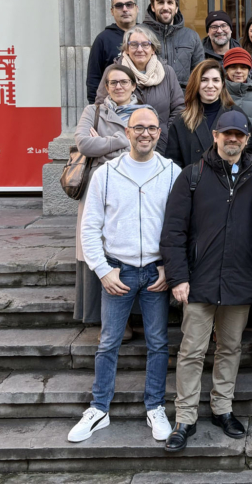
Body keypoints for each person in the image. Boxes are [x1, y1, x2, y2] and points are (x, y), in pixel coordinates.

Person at [68, 106, 180, 444]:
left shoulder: (171, 171)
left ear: (159, 133)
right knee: (108, 342)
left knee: (159, 343)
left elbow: (180, 228)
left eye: (151, 128)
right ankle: (99, 408)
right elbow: (90, 228)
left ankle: (155, 406)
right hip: (119, 272)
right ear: (127, 132)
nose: (145, 133)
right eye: (138, 128)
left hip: (156, 273)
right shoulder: (106, 173)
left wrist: (169, 269)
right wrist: (103, 271)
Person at [159, 110, 252, 452]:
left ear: (247, 140)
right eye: (227, 134)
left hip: (240, 278)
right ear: (215, 135)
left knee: (230, 348)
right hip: (198, 280)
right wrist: (178, 277)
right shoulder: (192, 175)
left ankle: (222, 408)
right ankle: (185, 418)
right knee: (192, 351)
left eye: (240, 135)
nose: (233, 139)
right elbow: (173, 231)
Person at [73, 63, 143, 327]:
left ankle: (127, 319)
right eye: (112, 83)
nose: (118, 87)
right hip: (96, 187)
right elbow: (84, 143)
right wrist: (121, 140)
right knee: (97, 246)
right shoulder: (92, 111)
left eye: (124, 82)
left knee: (125, 245)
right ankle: (105, 321)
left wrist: (104, 142)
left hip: (131, 186)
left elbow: (146, 145)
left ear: (134, 86)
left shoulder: (144, 113)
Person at [107, 25, 185, 156]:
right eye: (133, 44)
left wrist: (164, 133)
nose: (139, 49)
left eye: (145, 44)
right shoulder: (113, 72)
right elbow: (103, 107)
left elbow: (179, 107)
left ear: (153, 49)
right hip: (121, 149)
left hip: (161, 145)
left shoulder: (167, 73)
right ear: (126, 49)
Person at [166, 60, 236, 169]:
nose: (210, 85)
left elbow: (247, 155)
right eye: (204, 80)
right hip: (191, 184)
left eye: (215, 80)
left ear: (222, 84)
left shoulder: (236, 115)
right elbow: (174, 164)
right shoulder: (181, 120)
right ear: (196, 83)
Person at [143, 0, 204, 89]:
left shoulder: (192, 37)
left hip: (184, 99)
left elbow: (199, 74)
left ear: (176, 8)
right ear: (153, 7)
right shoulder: (140, 34)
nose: (165, 7)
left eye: (170, 2)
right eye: (161, 2)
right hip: (150, 97)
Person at [86, 0, 138, 101]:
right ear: (112, 11)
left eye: (129, 5)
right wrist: (96, 108)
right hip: (113, 108)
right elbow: (93, 79)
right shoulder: (103, 39)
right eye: (119, 6)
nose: (125, 9)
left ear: (136, 8)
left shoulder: (147, 35)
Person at [223, 47, 252, 122]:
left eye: (243, 68)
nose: (238, 71)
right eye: (233, 67)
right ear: (226, 70)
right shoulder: (218, 93)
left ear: (249, 70)